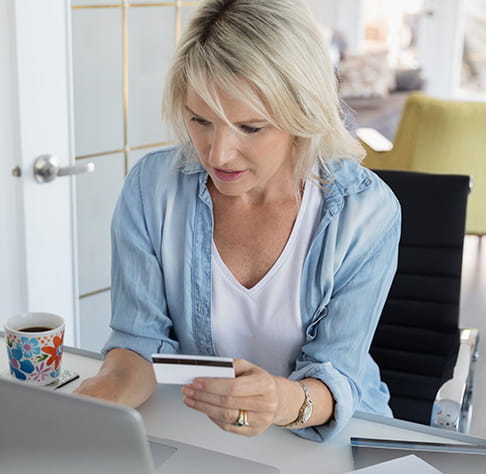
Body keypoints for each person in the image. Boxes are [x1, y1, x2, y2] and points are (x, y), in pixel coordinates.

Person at [74, 0, 400, 442]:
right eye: (200, 120)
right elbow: (139, 345)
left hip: (331, 437)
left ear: (301, 114)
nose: (218, 154)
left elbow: (337, 374)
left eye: (250, 128)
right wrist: (90, 401)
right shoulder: (151, 189)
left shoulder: (365, 212)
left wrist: (278, 401)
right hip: (202, 433)